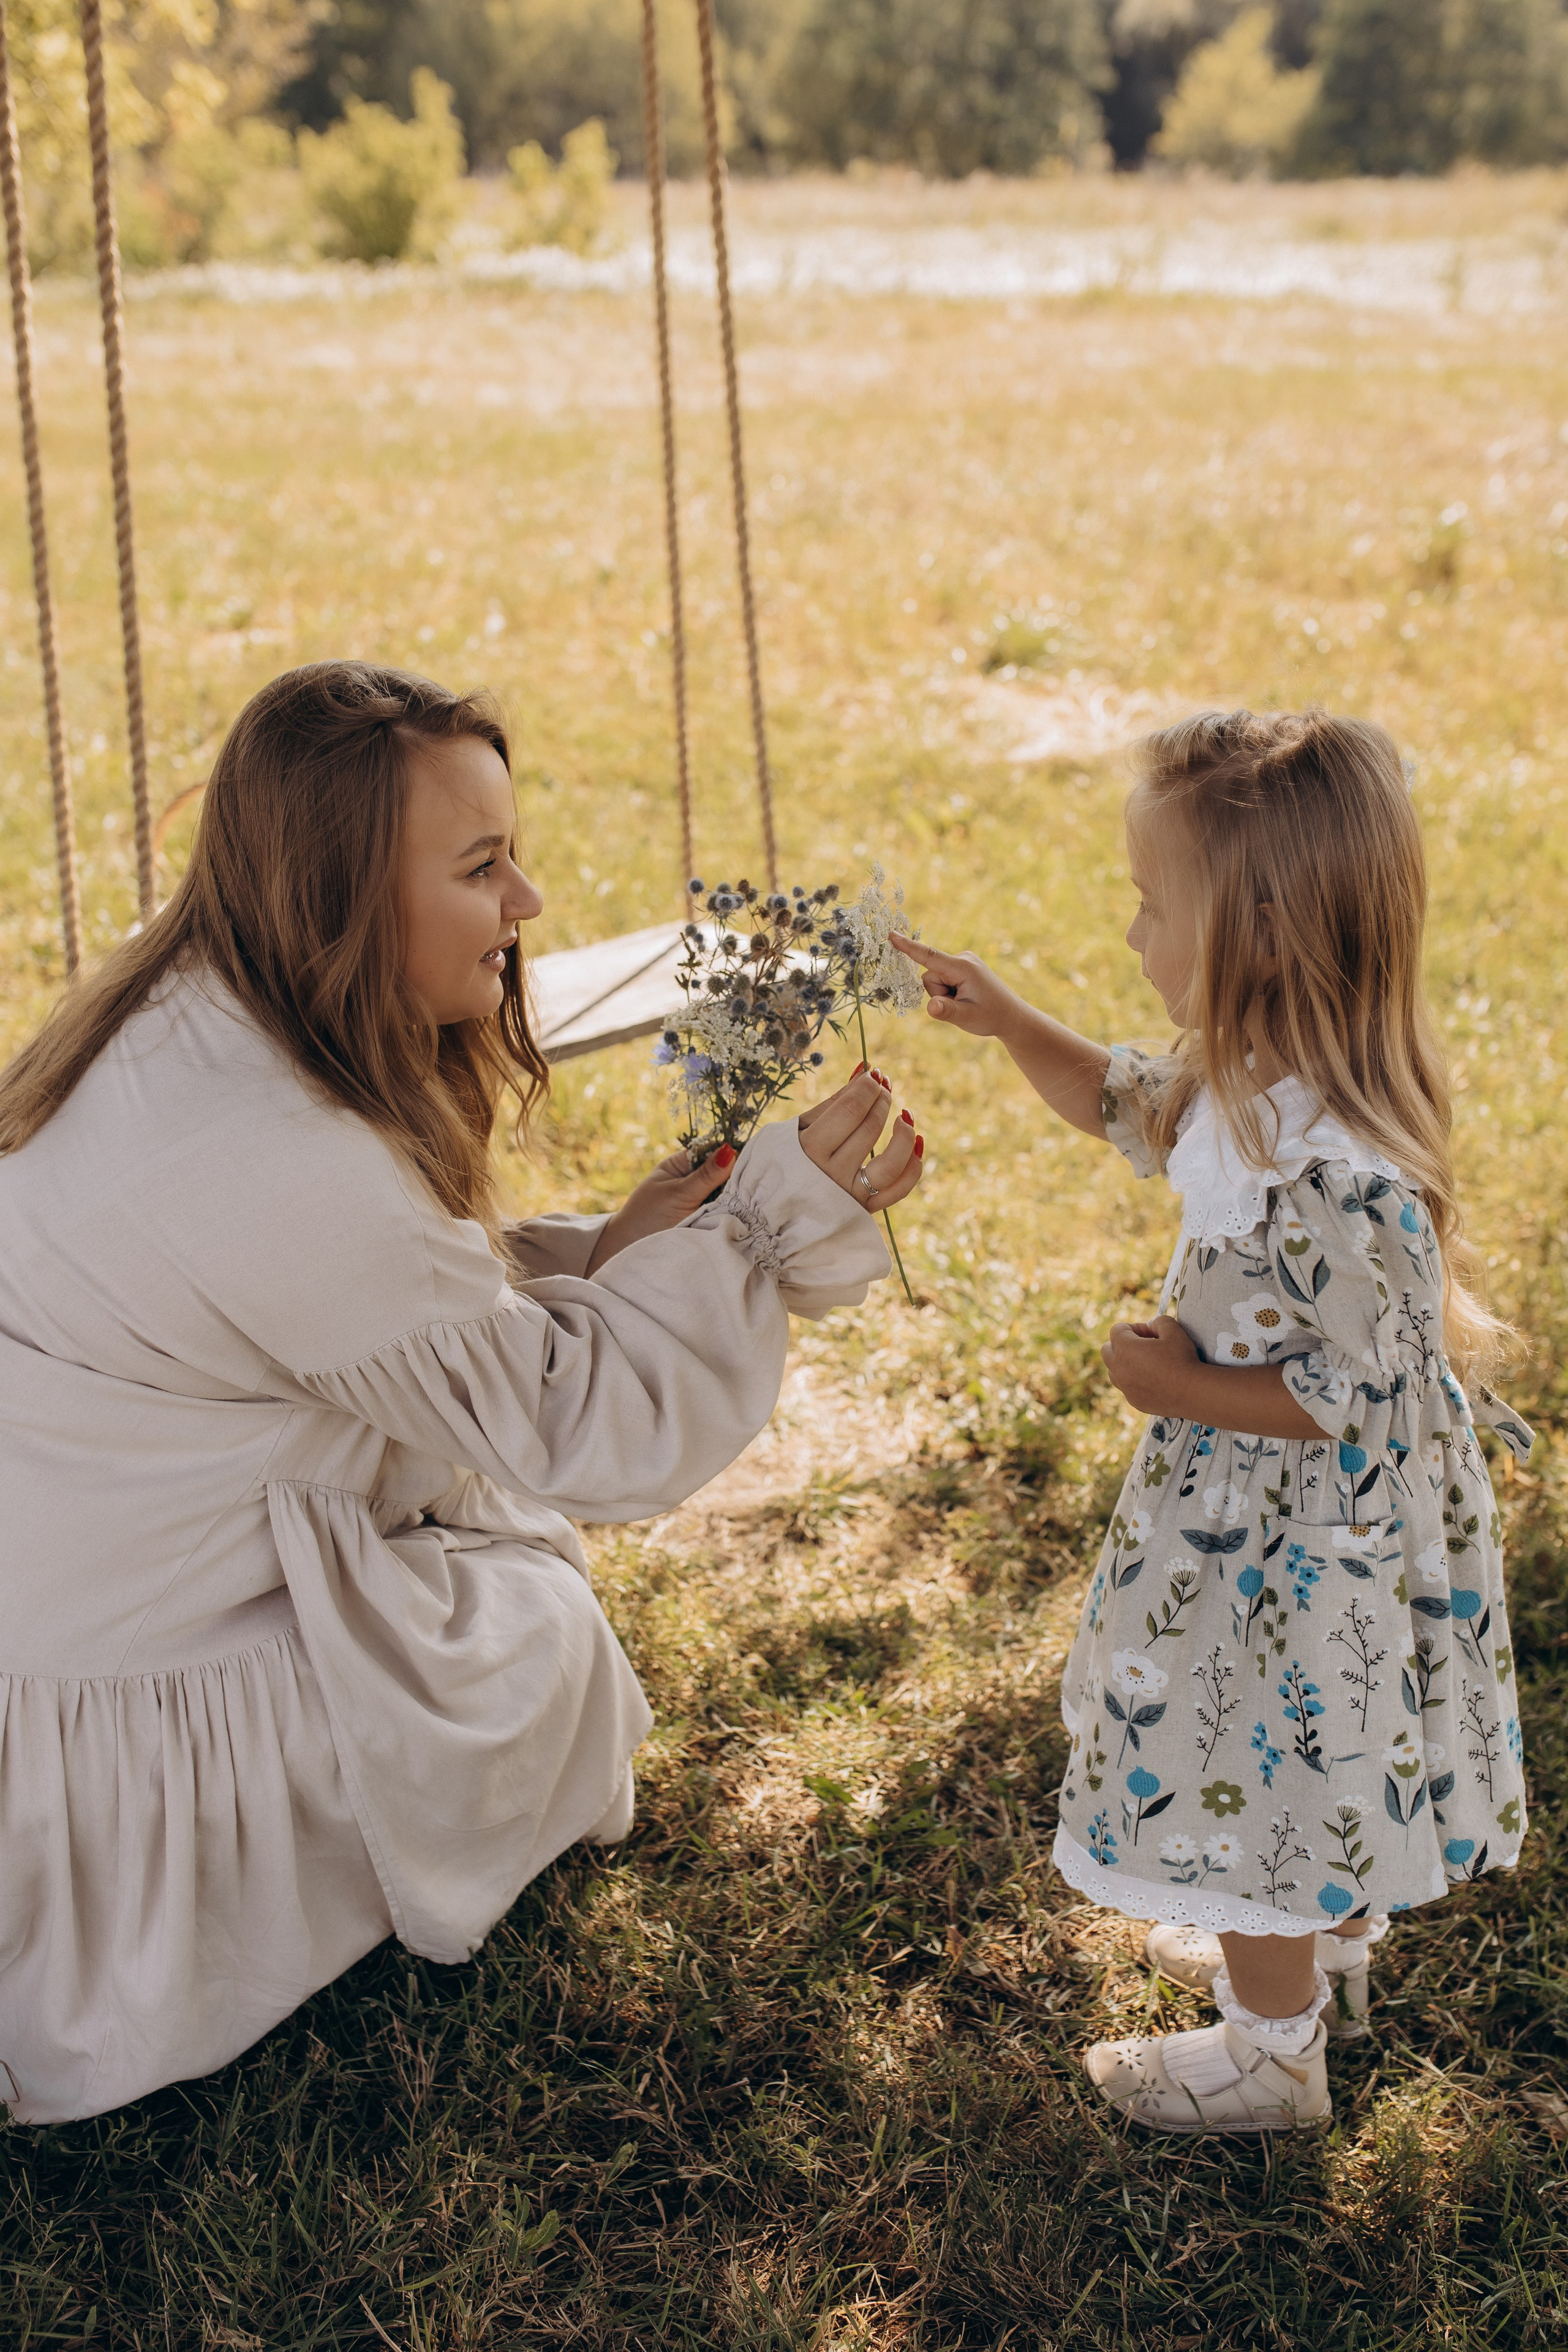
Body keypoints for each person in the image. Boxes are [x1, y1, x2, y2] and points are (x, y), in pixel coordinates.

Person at [0, 661, 924, 2126]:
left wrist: (619, 1251)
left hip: (59, 1619)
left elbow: (382, 1320)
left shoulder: (188, 1008)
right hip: (94, 1725)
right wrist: (767, 1216)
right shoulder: (284, 1157)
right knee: (536, 1630)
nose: (529, 906)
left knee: (483, 1558)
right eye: (483, 866)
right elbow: (584, 1436)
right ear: (344, 900)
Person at [894, 709, 1531, 2134]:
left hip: (1297, 1548)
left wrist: (1172, 1387)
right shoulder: (1251, 1079)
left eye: (1148, 905)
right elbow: (1124, 1105)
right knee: (1318, 1757)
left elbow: (1363, 1394)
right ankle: (1316, 1936)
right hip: (1274, 1521)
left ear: (1254, 927)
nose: (1130, 936)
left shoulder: (1328, 1166)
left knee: (1259, 1755)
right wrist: (1004, 1019)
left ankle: (1268, 2050)